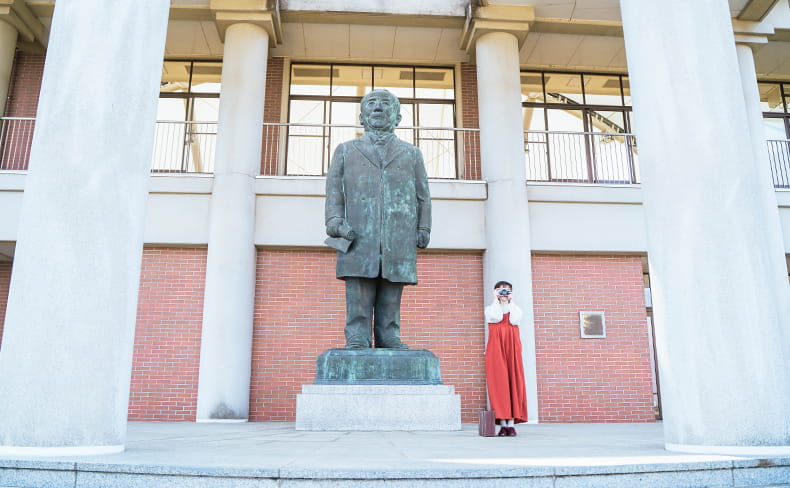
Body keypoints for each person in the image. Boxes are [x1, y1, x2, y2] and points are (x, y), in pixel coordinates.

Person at [325, 89, 431, 349]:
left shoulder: (411, 154)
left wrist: (424, 227)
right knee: (359, 289)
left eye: (385, 104)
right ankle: (358, 337)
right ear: (362, 116)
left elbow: (422, 195)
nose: (378, 108)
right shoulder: (345, 150)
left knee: (392, 289)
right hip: (359, 233)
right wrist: (335, 221)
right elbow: (334, 190)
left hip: (399, 234)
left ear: (398, 116)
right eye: (371, 104)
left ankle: (389, 335)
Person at [485, 280, 528, 436]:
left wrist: (511, 301)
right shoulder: (490, 308)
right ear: (495, 291)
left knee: (513, 381)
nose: (504, 292)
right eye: (500, 290)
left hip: (512, 347)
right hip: (496, 347)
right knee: (499, 383)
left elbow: (514, 319)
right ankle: (503, 424)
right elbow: (496, 317)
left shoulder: (515, 309)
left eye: (507, 290)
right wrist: (495, 299)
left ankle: (511, 425)